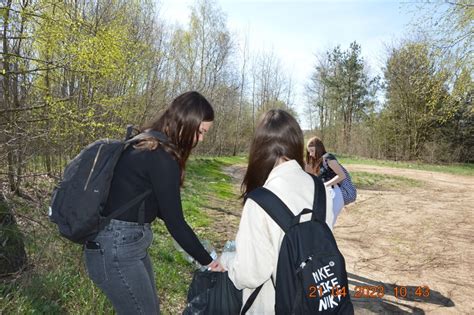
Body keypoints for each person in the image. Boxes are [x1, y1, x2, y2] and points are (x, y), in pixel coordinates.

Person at [83, 91, 224, 314]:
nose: (201, 139)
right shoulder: (159, 155)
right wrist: (209, 261)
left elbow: (159, 209)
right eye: (200, 132)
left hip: (126, 243)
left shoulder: (147, 141)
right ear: (184, 123)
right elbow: (175, 223)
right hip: (115, 247)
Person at [219, 109, 333, 314]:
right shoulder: (321, 189)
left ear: (259, 150)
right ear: (297, 144)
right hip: (314, 301)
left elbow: (250, 273)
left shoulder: (260, 200)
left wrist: (226, 260)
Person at [305, 136, 346, 228]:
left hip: (335, 193)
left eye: (312, 151)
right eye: (309, 152)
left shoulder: (328, 158)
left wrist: (325, 185)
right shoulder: (319, 161)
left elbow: (342, 175)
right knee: (322, 224)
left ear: (318, 148)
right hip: (327, 194)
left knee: (327, 225)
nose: (310, 154)